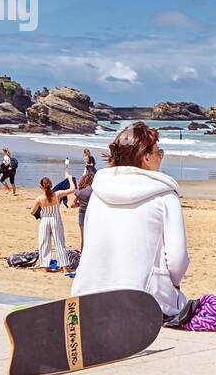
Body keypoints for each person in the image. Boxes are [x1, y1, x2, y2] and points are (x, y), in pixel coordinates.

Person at [71, 122, 190, 318]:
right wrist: (174, 284)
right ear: (146, 157)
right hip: (148, 301)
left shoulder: (98, 191)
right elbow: (177, 260)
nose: (160, 158)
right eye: (158, 153)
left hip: (89, 294)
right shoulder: (165, 196)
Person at [31, 169, 75, 269]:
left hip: (45, 220)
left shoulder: (39, 198)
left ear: (41, 187)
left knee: (44, 242)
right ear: (51, 185)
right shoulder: (57, 194)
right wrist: (70, 178)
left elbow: (32, 212)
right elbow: (72, 189)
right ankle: (64, 266)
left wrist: (40, 212)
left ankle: (45, 266)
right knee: (59, 242)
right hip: (55, 219)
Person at [71, 169, 95, 249]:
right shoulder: (94, 191)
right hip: (92, 214)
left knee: (83, 238)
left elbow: (72, 205)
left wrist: (80, 204)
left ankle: (82, 256)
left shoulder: (80, 192)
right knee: (92, 237)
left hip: (82, 214)